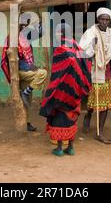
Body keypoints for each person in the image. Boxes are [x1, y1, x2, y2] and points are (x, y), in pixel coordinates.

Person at [39, 23, 92, 156]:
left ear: (62, 34)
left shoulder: (61, 49)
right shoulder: (75, 45)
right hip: (75, 90)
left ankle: (59, 148)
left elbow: (58, 72)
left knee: (59, 118)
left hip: (61, 91)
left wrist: (52, 90)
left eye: (57, 32)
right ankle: (71, 147)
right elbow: (86, 61)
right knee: (72, 118)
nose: (56, 35)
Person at [80, 7, 111, 144]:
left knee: (106, 104)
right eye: (102, 19)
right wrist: (92, 45)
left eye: (107, 20)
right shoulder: (91, 32)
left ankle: (99, 132)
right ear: (98, 19)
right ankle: (89, 114)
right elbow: (82, 51)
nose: (104, 22)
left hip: (107, 72)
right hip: (95, 70)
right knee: (93, 99)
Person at [1, 18, 47, 132]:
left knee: (27, 100)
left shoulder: (26, 36)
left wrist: (41, 24)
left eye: (25, 24)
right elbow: (12, 58)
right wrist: (29, 67)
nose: (23, 26)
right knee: (43, 73)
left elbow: (41, 33)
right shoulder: (12, 38)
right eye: (21, 24)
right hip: (18, 72)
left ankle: (27, 122)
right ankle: (26, 93)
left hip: (27, 72)